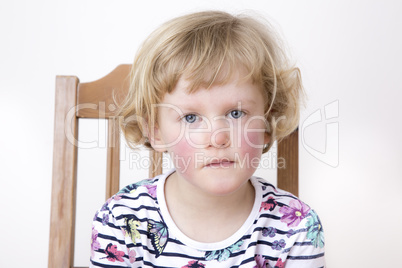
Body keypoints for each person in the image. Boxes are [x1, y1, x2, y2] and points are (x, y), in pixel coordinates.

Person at [90, 10, 325, 268]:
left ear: (268, 122)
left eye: (236, 113)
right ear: (156, 132)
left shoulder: (297, 228)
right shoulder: (120, 220)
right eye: (191, 117)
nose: (218, 137)